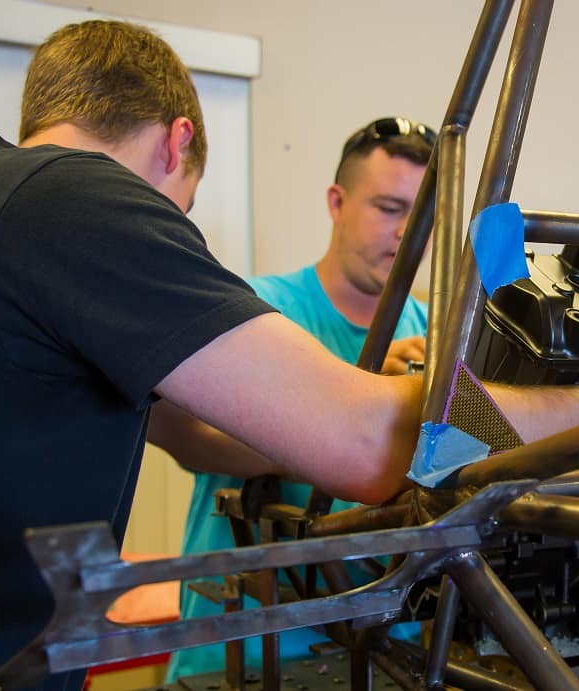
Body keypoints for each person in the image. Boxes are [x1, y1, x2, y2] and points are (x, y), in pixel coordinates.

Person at [0, 20, 579, 690]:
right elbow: (367, 443)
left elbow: (210, 424)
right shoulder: (81, 201)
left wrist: (394, 389)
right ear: (178, 139)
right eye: (177, 209)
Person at [161, 118, 435, 681]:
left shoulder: (437, 333)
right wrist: (363, 394)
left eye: (423, 216)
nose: (407, 232)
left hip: (391, 648)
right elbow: (191, 440)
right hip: (251, 654)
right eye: (388, 208)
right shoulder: (253, 310)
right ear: (337, 202)